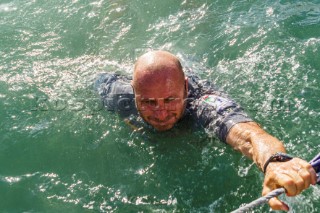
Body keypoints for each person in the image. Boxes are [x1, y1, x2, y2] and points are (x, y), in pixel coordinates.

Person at [95, 50, 317, 211]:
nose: (160, 114)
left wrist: (274, 161)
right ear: (134, 92)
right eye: (148, 102)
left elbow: (248, 134)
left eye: (170, 100)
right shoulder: (118, 95)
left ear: (185, 87)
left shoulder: (204, 104)